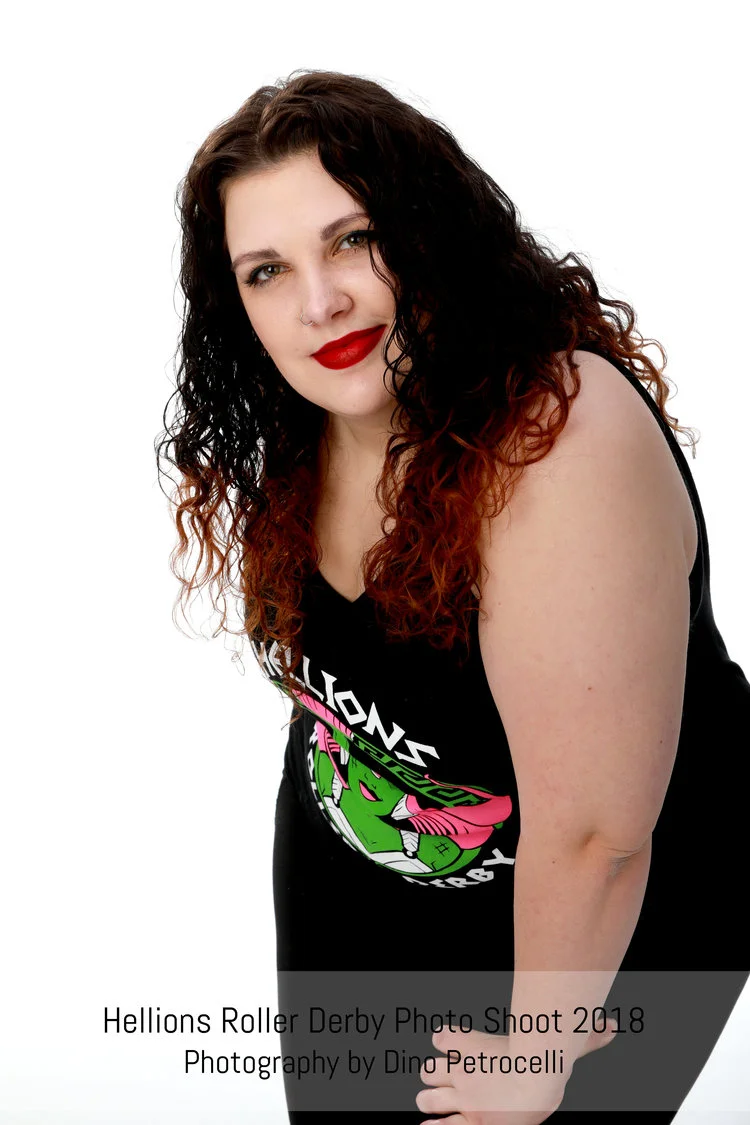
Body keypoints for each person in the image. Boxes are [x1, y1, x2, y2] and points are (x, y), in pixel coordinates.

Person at [158, 69, 750, 1124]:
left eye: (353, 239)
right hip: (364, 860)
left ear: (430, 229)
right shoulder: (315, 410)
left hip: (602, 913)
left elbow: (600, 834)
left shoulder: (557, 444)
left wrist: (537, 1056)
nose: (318, 302)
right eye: (266, 270)